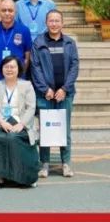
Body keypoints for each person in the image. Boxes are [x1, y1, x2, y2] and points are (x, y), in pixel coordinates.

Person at [31, 10, 78, 178]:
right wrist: (45, 89)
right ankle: (44, 164)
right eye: (51, 21)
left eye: (57, 21)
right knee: (46, 129)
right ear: (46, 23)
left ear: (62, 23)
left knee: (64, 129)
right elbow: (35, 67)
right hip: (46, 95)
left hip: (65, 94)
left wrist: (64, 89)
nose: (54, 24)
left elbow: (74, 67)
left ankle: (66, 163)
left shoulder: (70, 43)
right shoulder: (39, 42)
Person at [0, 57, 40, 188]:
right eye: (6, 67)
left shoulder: (27, 86)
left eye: (12, 67)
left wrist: (21, 124)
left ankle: (21, 176)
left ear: (18, 69)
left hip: (21, 122)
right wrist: (1, 122)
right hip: (1, 122)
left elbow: (31, 107)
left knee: (13, 137)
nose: (9, 70)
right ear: (2, 69)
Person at [0, 0, 33, 83]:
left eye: (10, 10)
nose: (7, 13)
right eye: (4, 10)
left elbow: (27, 57)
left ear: (15, 12)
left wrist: (21, 74)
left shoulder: (24, 30)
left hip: (18, 80)